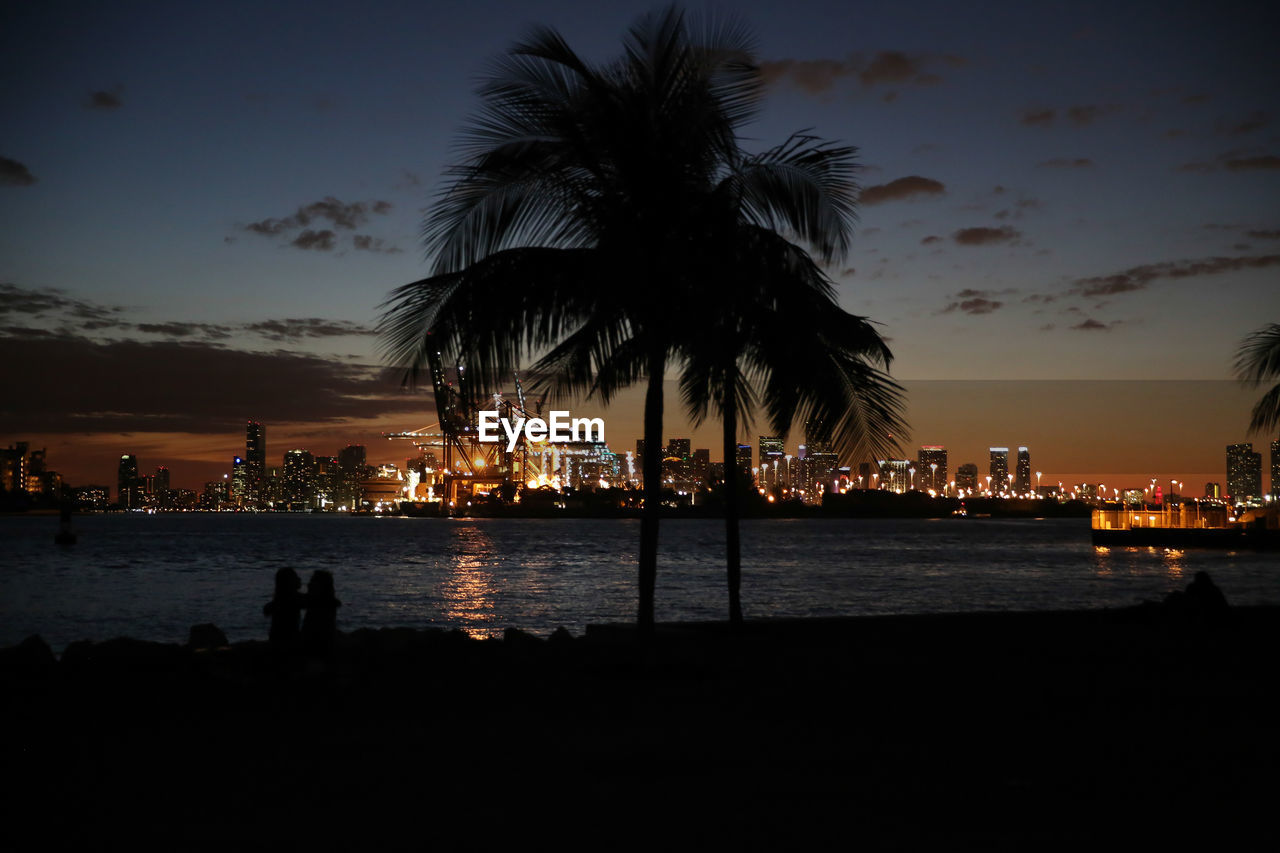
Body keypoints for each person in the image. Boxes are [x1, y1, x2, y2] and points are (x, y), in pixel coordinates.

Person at [301, 570, 341, 655]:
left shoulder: (318, 603)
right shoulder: (329, 602)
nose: (308, 584)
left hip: (318, 648)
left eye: (312, 581)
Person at [263, 567, 303, 648]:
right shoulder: (295, 599)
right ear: (289, 582)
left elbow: (267, 610)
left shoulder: (279, 600)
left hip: (276, 640)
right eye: (295, 577)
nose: (299, 579)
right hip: (288, 642)